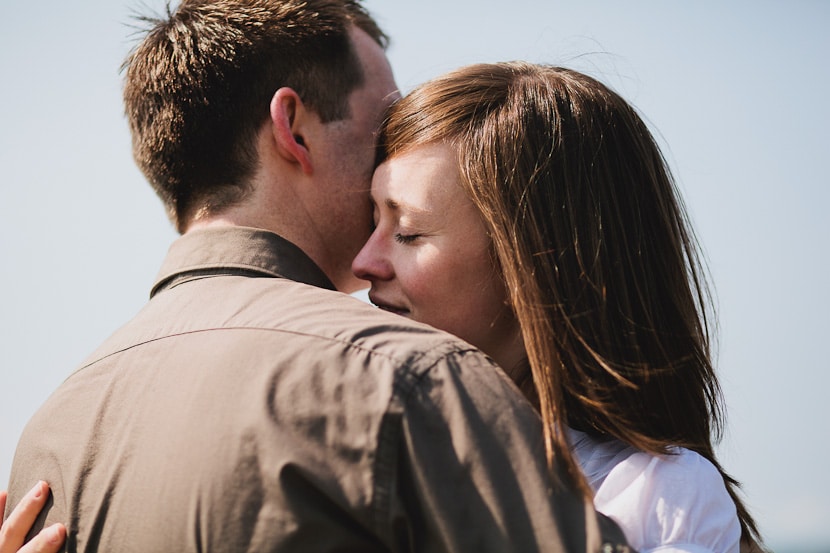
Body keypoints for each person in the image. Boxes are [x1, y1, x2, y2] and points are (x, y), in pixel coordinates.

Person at [3, 2, 630, 552]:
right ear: (293, 128)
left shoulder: (50, 432)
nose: (397, 148)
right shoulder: (410, 380)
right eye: (383, 123)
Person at [352, 62, 766, 553]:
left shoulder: (653, 497)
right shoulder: (367, 444)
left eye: (408, 232)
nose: (365, 262)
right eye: (370, 221)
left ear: (533, 261)